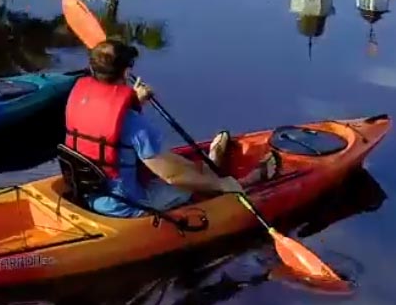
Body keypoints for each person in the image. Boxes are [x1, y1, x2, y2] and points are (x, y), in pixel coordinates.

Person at [63, 40, 277, 218]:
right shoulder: (135, 124)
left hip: (91, 193)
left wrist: (134, 102)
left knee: (185, 166)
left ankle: (210, 164)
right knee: (192, 180)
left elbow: (112, 128)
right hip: (128, 205)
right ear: (127, 71)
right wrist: (220, 184)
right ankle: (241, 183)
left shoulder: (79, 100)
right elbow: (172, 177)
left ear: (93, 69)